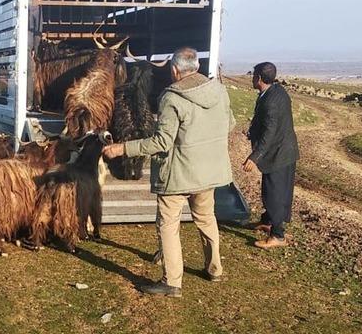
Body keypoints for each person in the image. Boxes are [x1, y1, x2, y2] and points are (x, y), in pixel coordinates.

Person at [103, 47, 234, 298]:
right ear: (196, 67)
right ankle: (214, 269)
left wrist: (123, 148)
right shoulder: (219, 91)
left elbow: (161, 142)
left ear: (174, 70)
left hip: (179, 174)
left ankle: (172, 282)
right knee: (206, 218)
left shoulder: (172, 98)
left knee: (168, 224)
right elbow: (229, 124)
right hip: (209, 172)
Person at [242, 62, 300, 249]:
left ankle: (278, 235)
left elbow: (270, 133)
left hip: (278, 153)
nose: (252, 78)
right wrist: (253, 131)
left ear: (259, 78)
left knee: (274, 193)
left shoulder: (271, 102)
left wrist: (254, 157)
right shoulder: (276, 91)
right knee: (277, 190)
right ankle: (267, 221)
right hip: (285, 149)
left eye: (253, 76)